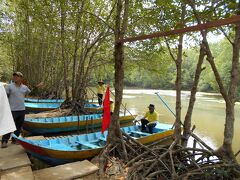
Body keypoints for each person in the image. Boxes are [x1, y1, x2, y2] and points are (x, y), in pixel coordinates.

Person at [1, 72, 31, 148]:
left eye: (17, 76)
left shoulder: (25, 87)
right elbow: (5, 97)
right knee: (9, 126)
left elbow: (28, 93)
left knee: (18, 126)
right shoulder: (9, 86)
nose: (15, 78)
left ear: (21, 78)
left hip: (22, 109)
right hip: (12, 110)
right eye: (14, 76)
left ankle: (15, 140)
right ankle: (4, 141)